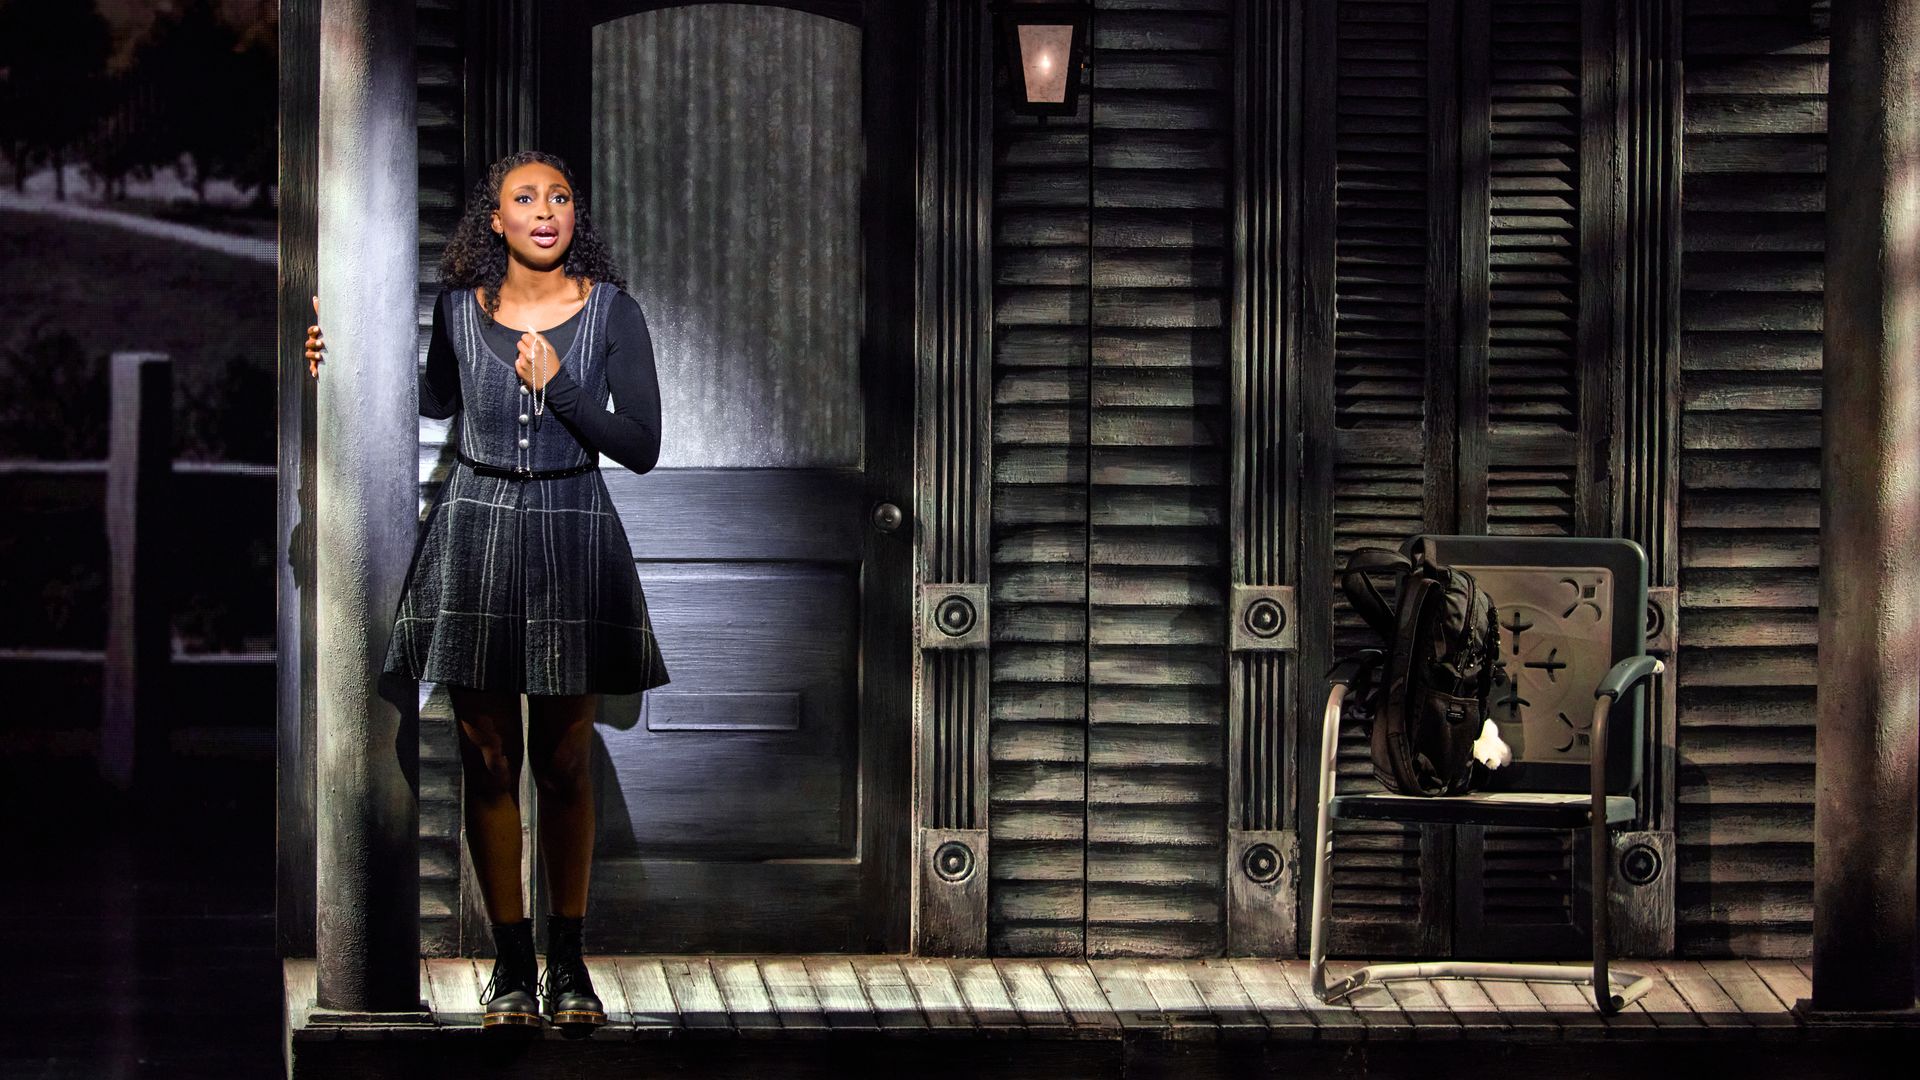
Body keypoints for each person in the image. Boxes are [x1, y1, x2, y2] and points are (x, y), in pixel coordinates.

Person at [305, 150, 670, 1032]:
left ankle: (569, 964)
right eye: (525, 198)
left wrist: (562, 387)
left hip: (572, 527)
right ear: (494, 220)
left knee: (566, 758)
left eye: (560, 197)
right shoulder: (458, 311)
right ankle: (510, 966)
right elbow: (428, 399)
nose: (546, 211)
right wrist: (340, 362)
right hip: (476, 526)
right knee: (487, 754)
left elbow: (641, 444)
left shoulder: (613, 312)